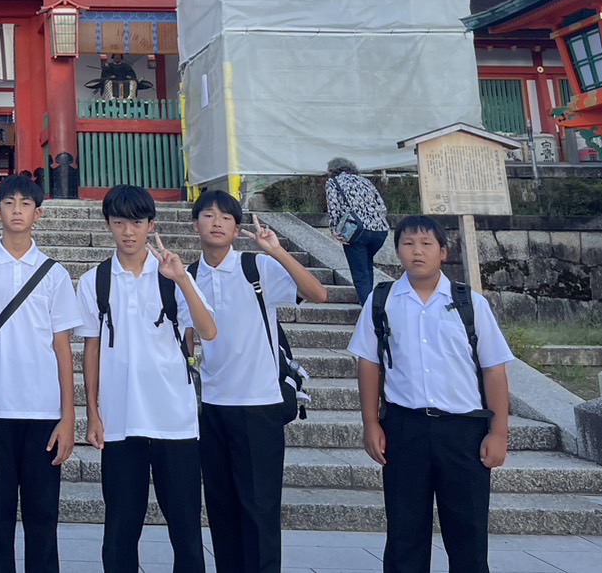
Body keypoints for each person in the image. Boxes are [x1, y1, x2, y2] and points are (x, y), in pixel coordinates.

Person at [349, 215, 514, 573]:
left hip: (463, 432)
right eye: (408, 244)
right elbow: (368, 365)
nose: (417, 252)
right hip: (404, 428)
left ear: (443, 251)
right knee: (404, 534)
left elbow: (494, 370)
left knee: (468, 534)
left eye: (426, 244)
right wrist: (370, 423)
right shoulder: (382, 302)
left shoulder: (470, 304)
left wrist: (498, 432)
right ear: (397, 252)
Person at [77, 186, 216, 573]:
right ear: (107, 225)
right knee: (120, 529)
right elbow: (91, 349)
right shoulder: (95, 281)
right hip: (121, 421)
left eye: (136, 222)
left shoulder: (172, 275)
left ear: (151, 224)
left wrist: (182, 279)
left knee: (186, 528)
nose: (128, 231)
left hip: (175, 419)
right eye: (118, 222)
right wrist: (93, 412)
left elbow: (208, 331)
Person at [188, 190, 328, 573]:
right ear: (195, 223)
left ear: (236, 229)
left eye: (226, 217)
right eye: (208, 215)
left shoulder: (256, 268)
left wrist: (277, 252)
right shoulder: (185, 277)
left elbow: (318, 294)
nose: (216, 222)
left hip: (258, 404)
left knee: (260, 509)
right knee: (221, 508)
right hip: (212, 406)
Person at [0, 173, 82, 573]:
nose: (17, 211)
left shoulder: (55, 274)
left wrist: (69, 416)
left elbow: (63, 349)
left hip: (44, 413)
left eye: (26, 204)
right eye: (9, 204)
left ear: (38, 213)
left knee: (43, 518)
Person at [325, 157, 391, 305]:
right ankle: (371, 302)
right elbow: (382, 206)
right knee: (367, 266)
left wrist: (335, 230)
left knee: (360, 273)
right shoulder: (365, 181)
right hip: (379, 231)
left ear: (332, 170)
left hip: (355, 230)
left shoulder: (333, 182)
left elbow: (333, 209)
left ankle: (369, 311)